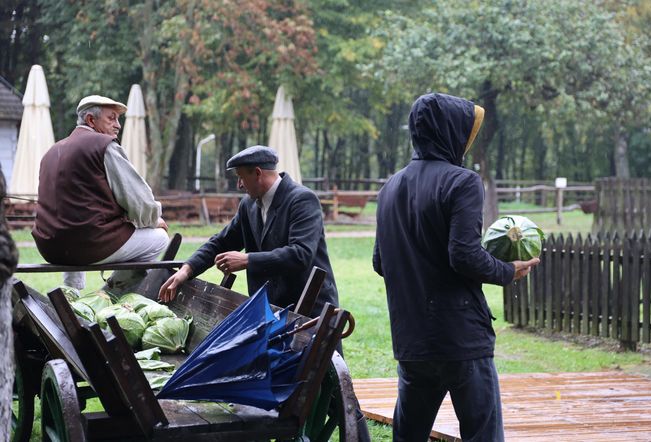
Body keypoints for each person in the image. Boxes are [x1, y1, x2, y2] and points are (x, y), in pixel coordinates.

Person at [372, 93, 540, 442]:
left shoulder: (390, 187)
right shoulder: (462, 181)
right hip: (460, 337)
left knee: (408, 436)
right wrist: (509, 271)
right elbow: (463, 255)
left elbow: (379, 261)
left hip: (412, 337)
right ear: (451, 132)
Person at [159, 145, 338, 316]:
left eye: (241, 177)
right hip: (269, 308)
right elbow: (222, 242)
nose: (239, 185)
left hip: (309, 308)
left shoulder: (302, 199)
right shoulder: (248, 204)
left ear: (258, 173)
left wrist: (247, 260)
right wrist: (187, 269)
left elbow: (301, 254)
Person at [32, 95, 169, 293]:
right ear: (90, 120)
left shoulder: (51, 152)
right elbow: (139, 200)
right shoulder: (104, 146)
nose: (118, 125)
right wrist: (153, 219)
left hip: (49, 247)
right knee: (159, 238)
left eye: (118, 119)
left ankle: (72, 296)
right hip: (89, 246)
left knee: (75, 233)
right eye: (111, 118)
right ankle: (110, 296)